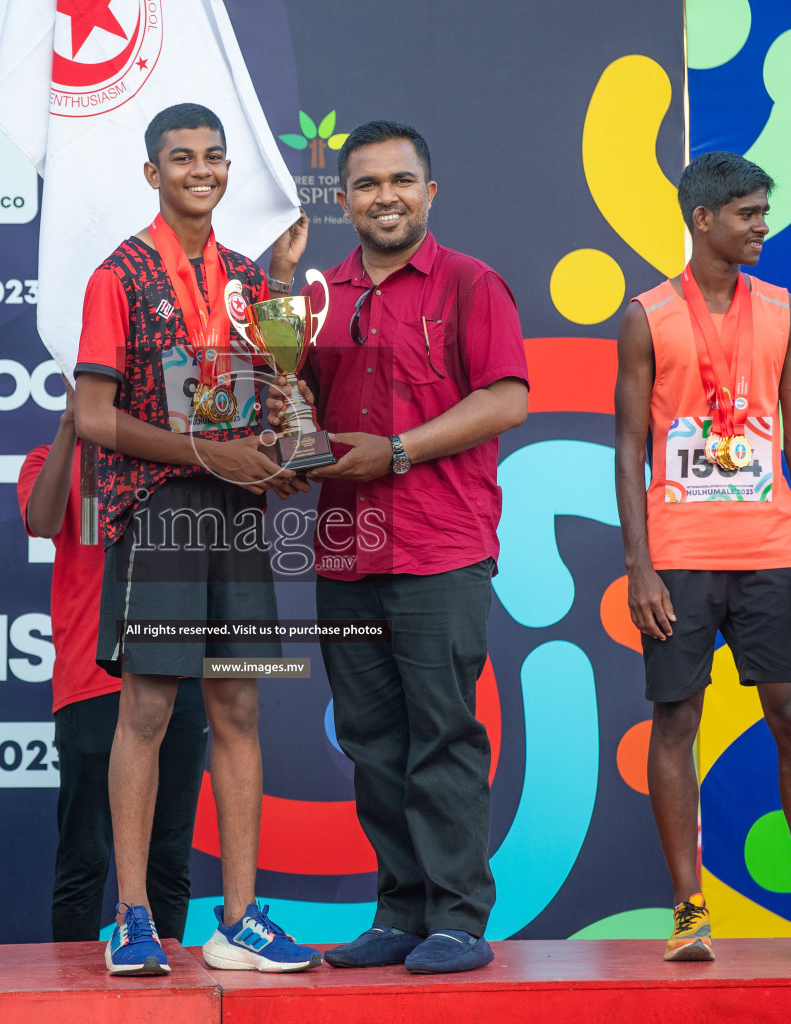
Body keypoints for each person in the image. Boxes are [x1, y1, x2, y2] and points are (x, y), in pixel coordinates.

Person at [72, 102, 319, 976]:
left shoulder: (254, 278)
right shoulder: (118, 276)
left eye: (214, 157)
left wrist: (284, 457)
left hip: (236, 521)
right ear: (153, 174)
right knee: (147, 711)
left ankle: (241, 918)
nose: (203, 171)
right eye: (183, 159)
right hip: (162, 513)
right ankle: (132, 918)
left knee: (239, 708)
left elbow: (286, 396)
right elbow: (93, 416)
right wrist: (210, 451)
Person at [297, 120, 529, 975]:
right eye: (365, 184)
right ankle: (399, 911)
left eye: (400, 181)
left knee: (443, 735)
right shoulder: (315, 298)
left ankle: (458, 918)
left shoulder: (471, 283)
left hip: (442, 550)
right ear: (344, 200)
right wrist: (282, 450)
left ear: (429, 193)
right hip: (346, 552)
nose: (383, 197)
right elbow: (297, 415)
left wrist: (395, 451)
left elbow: (506, 400)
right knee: (369, 739)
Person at [613, 151, 791, 962]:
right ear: (703, 219)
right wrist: (639, 566)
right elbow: (628, 444)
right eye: (749, 213)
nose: (763, 227)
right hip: (677, 557)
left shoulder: (785, 309)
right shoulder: (648, 315)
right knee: (677, 718)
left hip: (771, 553)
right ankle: (689, 911)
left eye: (764, 211)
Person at [18, 386, 208, 944]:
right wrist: (70, 428)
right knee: (86, 856)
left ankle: (171, 993)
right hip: (89, 675)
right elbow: (45, 520)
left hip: (176, 667)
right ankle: (74, 1000)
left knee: (168, 857)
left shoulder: (170, 449)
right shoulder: (48, 457)